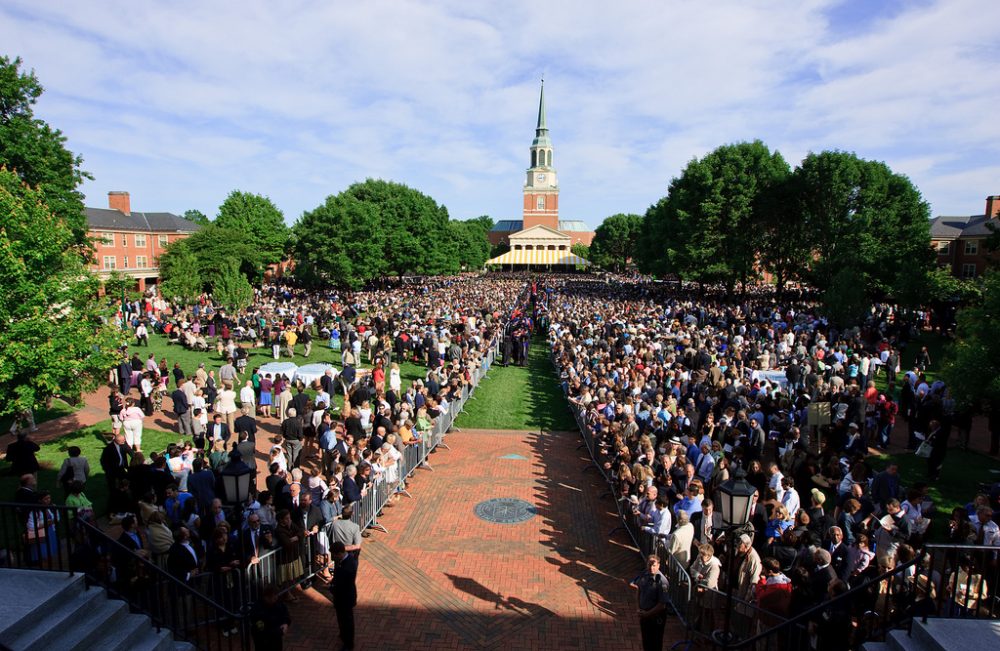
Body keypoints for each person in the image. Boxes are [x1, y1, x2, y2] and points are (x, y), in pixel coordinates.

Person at [630, 554, 670, 651]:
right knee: (646, 641)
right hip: (644, 614)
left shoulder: (662, 582)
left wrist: (647, 614)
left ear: (659, 566)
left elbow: (662, 604)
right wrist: (638, 608)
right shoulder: (644, 574)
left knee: (655, 643)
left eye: (654, 565)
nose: (651, 568)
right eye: (649, 565)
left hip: (655, 617)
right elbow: (639, 590)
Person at [329, 540, 358, 651]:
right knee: (341, 618)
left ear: (339, 553)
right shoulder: (344, 560)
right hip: (341, 597)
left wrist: (332, 588)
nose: (333, 557)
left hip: (345, 598)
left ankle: (349, 643)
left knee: (347, 621)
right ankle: (343, 634)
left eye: (334, 555)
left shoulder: (348, 566)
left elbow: (343, 584)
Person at [249, 584, 291, 650]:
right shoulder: (257, 609)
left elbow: (285, 614)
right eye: (274, 597)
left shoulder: (278, 603)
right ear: (266, 597)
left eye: (276, 595)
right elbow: (261, 630)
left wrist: (286, 623)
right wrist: (279, 632)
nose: (276, 598)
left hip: (277, 641)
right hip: (264, 643)